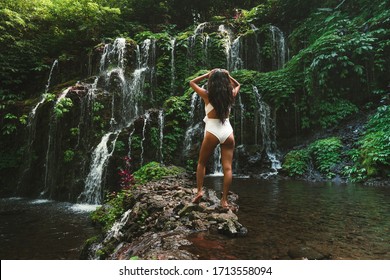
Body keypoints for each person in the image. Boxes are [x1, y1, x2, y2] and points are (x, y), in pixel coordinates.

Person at [189, 68, 240, 209]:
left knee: (201, 163)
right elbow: (238, 85)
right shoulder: (230, 95)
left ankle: (199, 191)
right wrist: (228, 76)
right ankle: (224, 200)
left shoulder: (207, 95)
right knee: (228, 168)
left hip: (212, 131)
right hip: (228, 131)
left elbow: (192, 82)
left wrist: (207, 74)